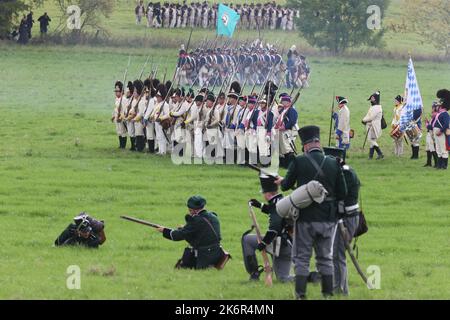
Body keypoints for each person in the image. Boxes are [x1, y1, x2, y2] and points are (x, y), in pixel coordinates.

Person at [275, 125, 347, 300]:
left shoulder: (299, 161)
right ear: (318, 142)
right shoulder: (333, 162)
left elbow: (285, 186)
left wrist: (284, 181)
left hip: (305, 218)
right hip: (328, 219)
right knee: (325, 258)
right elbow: (343, 192)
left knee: (301, 259)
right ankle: (328, 295)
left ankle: (301, 296)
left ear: (305, 145)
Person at [323, 147, 360, 296]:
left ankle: (341, 290)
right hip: (344, 216)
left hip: (346, 218)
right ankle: (338, 287)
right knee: (336, 253)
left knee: (338, 254)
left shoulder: (346, 174)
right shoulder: (344, 172)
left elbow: (340, 195)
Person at [244, 174, 294, 282]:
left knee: (247, 240)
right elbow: (272, 211)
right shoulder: (282, 200)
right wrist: (260, 205)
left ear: (267, 194)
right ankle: (310, 277)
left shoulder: (277, 205)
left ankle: (254, 273)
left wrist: (264, 243)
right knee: (283, 279)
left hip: (278, 245)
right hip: (288, 247)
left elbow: (274, 229)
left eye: (263, 193)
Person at [155, 195, 226, 269]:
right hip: (216, 252)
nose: (189, 212)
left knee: (185, 268)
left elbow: (178, 235)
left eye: (190, 210)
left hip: (204, 255)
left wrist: (164, 230)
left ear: (194, 210)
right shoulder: (213, 216)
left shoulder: (196, 220)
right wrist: (185, 228)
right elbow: (200, 231)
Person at [363, 91, 384, 160]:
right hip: (371, 125)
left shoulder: (377, 108)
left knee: (371, 140)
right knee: (372, 141)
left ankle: (380, 153)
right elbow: (368, 115)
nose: (371, 99)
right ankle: (370, 156)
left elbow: (371, 117)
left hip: (374, 126)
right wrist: (364, 119)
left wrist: (364, 120)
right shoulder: (373, 107)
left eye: (372, 98)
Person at [432, 89, 450, 169]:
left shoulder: (445, 114)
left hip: (441, 133)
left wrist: (441, 131)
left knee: (443, 149)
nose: (438, 106)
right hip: (437, 132)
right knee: (438, 149)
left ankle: (444, 165)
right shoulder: (440, 113)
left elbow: (446, 124)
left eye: (439, 105)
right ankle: (439, 165)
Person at [111, 81, 128, 149]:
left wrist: (120, 118)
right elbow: (115, 109)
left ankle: (123, 146)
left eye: (117, 91)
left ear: (121, 91)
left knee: (122, 131)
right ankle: (120, 145)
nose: (116, 92)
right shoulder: (117, 99)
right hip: (116, 117)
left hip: (121, 118)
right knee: (119, 131)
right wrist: (113, 116)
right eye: (115, 91)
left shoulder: (123, 99)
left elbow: (124, 111)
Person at [424, 102, 439, 167]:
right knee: (428, 148)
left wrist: (426, 124)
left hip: (431, 133)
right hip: (429, 133)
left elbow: (430, 127)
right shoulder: (433, 115)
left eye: (432, 107)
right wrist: (427, 122)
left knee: (432, 148)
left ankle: (436, 163)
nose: (431, 109)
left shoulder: (435, 115)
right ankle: (429, 162)